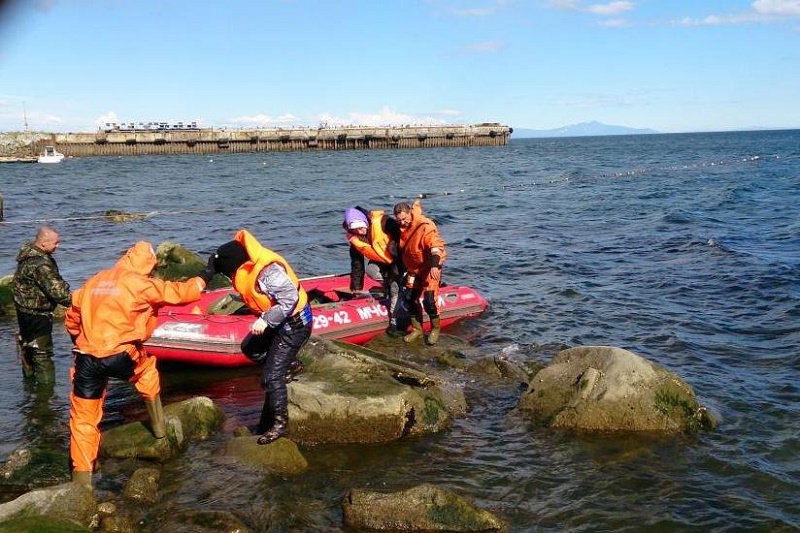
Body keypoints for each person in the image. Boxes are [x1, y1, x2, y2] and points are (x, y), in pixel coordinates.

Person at [65, 241, 214, 490]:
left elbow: (72, 317)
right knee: (147, 375)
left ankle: (81, 484)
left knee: (82, 418)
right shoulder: (140, 283)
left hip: (87, 356)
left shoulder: (95, 281)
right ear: (148, 264)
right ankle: (160, 431)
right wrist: (206, 275)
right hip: (122, 353)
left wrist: (79, 339)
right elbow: (182, 293)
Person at [212, 229, 313, 445]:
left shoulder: (267, 271)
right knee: (250, 347)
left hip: (295, 324)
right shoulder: (243, 266)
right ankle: (292, 364)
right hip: (279, 322)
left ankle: (280, 425)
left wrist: (265, 320)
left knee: (271, 377)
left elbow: (289, 299)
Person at [12, 225, 72, 385]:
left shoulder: (26, 256)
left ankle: (30, 390)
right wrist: (83, 301)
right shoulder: (41, 264)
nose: (58, 246)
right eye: (56, 243)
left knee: (28, 350)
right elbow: (60, 293)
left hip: (23, 312)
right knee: (42, 354)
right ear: (44, 243)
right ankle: (46, 397)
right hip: (38, 314)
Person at [342, 206, 407, 336]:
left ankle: (394, 320)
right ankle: (389, 286)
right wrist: (356, 286)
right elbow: (357, 264)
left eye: (362, 227)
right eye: (356, 230)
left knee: (395, 288)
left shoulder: (384, 222)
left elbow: (404, 237)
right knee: (370, 270)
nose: (361, 231)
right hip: (381, 261)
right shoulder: (356, 239)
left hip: (398, 259)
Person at [393, 200, 447, 345]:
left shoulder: (425, 226)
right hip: (414, 268)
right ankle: (417, 329)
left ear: (410, 213)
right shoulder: (400, 228)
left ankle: (435, 329)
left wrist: (435, 266)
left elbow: (435, 246)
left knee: (429, 300)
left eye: (404, 219)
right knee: (409, 298)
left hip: (430, 267)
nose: (402, 223)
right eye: (399, 221)